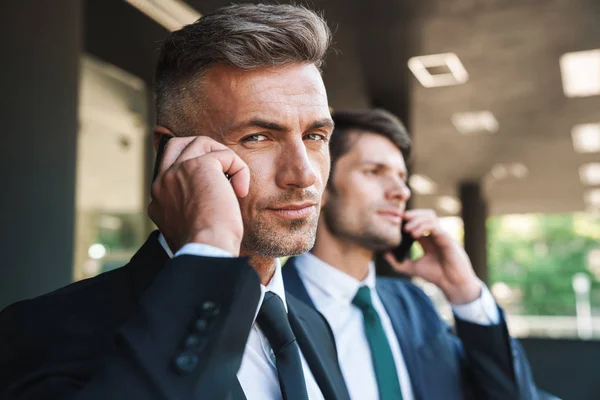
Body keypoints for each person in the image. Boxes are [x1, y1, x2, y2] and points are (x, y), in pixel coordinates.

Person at [0, 4, 350, 400]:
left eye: (315, 136)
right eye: (258, 137)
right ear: (171, 151)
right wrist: (210, 244)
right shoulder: (42, 332)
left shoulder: (313, 324)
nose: (304, 174)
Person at [283, 109, 540, 400]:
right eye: (374, 171)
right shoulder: (271, 308)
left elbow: (510, 395)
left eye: (401, 176)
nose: (401, 191)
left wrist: (464, 290)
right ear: (321, 185)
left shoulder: (415, 305)